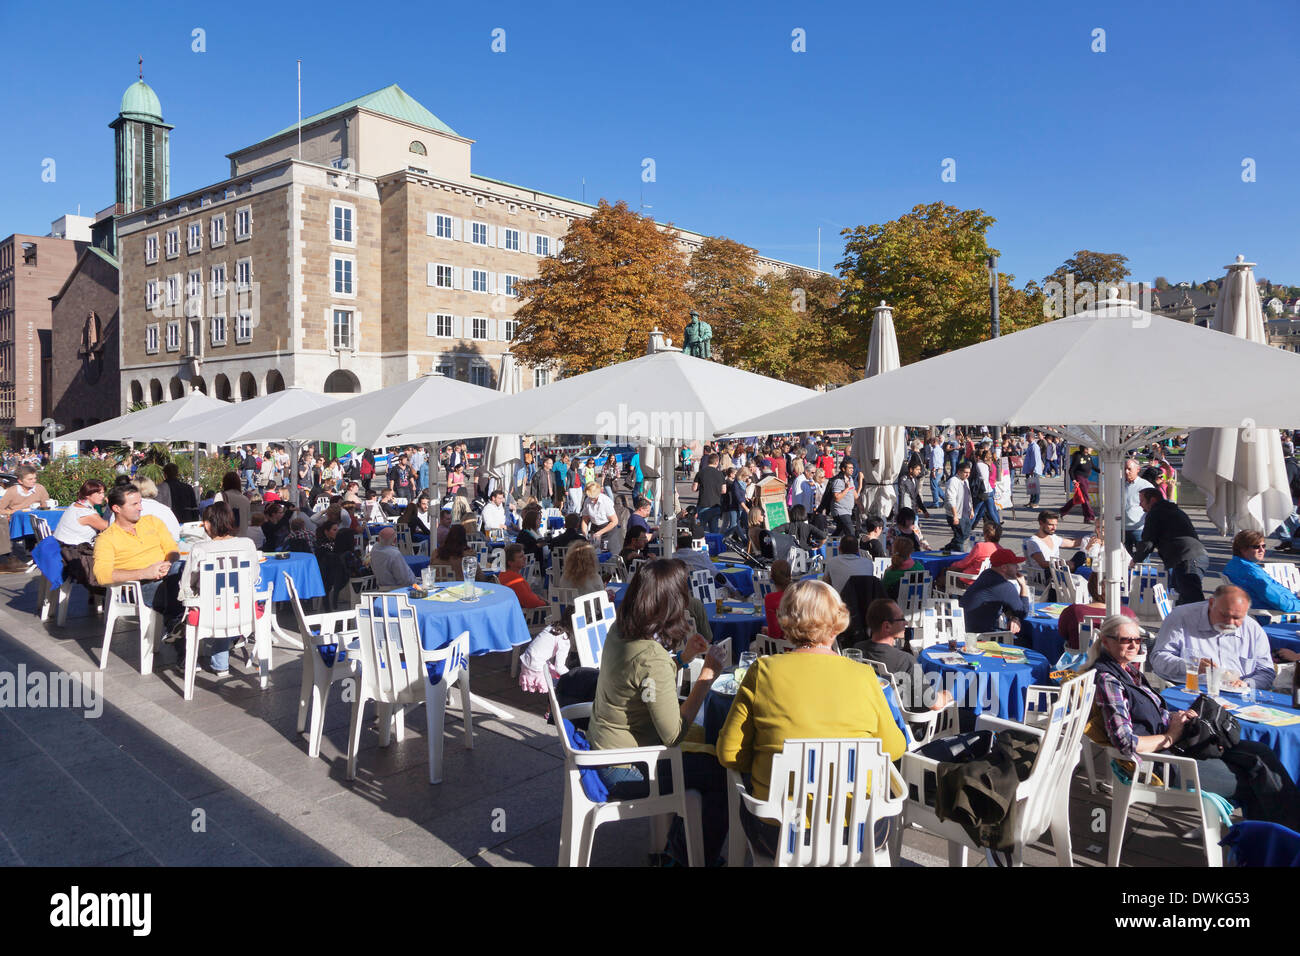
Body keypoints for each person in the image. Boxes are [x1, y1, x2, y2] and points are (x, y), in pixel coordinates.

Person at [717, 580, 906, 859]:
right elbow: (894, 749)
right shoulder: (865, 677)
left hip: (779, 833)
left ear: (787, 620)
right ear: (838, 621)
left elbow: (729, 754)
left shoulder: (763, 671)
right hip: (859, 831)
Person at [1085, 613, 1298, 826]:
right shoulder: (1109, 680)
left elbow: (1143, 713)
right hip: (1164, 765)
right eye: (1125, 640)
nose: (1134, 646)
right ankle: (1283, 840)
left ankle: (1270, 840)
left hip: (1177, 749)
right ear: (1106, 642)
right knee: (1259, 778)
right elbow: (1125, 742)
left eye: (1137, 640)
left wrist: (1175, 717)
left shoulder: (1128, 670)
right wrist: (1170, 736)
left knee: (1260, 753)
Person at [588, 559, 728, 865]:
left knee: (704, 755)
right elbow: (673, 734)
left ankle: (680, 847)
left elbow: (643, 681)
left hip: (606, 748)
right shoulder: (651, 658)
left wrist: (682, 657)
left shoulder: (621, 630)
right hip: (626, 769)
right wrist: (706, 676)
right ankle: (689, 856)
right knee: (720, 771)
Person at [178, 501, 261, 677]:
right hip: (243, 610)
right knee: (227, 600)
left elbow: (186, 584)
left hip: (211, 611)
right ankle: (222, 660)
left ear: (207, 524)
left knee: (216, 602)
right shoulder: (247, 545)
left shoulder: (200, 549)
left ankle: (210, 661)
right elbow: (253, 577)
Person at [92, 485, 184, 632]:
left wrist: (168, 564)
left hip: (167, 575)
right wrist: (145, 573)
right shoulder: (106, 539)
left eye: (140, 502)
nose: (140, 508)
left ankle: (177, 626)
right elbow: (102, 576)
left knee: (187, 569)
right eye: (135, 504)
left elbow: (172, 549)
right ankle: (177, 624)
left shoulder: (153, 521)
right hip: (138, 587)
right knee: (184, 590)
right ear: (117, 508)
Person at [1150, 585, 1276, 691]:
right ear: (1211, 604)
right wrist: (1191, 666)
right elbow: (1158, 659)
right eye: (1224, 615)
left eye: (1237, 618)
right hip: (1193, 691)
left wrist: (1247, 684)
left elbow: (1266, 671)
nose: (1230, 622)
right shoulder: (1182, 617)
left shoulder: (1252, 628)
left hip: (1240, 694)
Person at [1131, 488, 1208, 605]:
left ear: (1152, 500)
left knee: (1192, 601)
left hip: (1187, 558)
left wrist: (1135, 560)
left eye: (1141, 501)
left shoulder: (1155, 513)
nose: (1140, 504)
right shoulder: (1171, 510)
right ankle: (1181, 622)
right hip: (1190, 557)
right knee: (1181, 598)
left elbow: (1148, 542)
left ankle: (1199, 622)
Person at [1222, 529, 1300, 615]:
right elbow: (1283, 604)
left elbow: (1273, 589)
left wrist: (1293, 596)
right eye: (1256, 547)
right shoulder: (1252, 572)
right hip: (1273, 615)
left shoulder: (1233, 564)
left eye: (1263, 546)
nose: (1262, 550)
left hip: (1261, 608)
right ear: (1243, 549)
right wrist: (1297, 603)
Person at [958, 547, 1031, 635]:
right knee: (1027, 638)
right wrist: (1023, 586)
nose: (1018, 567)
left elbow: (1008, 607)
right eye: (1014, 564)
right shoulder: (1003, 585)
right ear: (1004, 567)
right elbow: (1023, 613)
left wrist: (1014, 617)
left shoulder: (986, 574)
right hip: (981, 636)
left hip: (964, 629)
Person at [1058, 573, 1137, 650]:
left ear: (1090, 586)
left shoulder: (1072, 611)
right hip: (1117, 661)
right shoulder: (1127, 613)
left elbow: (1063, 634)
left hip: (1081, 661)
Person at [53, 479, 110, 587]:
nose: (102, 496)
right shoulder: (85, 512)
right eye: (98, 493)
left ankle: (96, 599)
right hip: (73, 554)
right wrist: (112, 508)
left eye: (103, 492)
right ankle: (105, 595)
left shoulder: (76, 505)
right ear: (88, 494)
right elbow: (108, 527)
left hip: (61, 550)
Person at [0, 464, 51, 572]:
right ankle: (8, 559)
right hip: (16, 520)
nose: (33, 481)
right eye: (30, 479)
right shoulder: (12, 491)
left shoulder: (39, 488)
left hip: (34, 519)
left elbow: (46, 505)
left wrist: (41, 507)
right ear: (20, 481)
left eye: (35, 478)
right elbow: (1, 508)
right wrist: (10, 512)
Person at [946, 521, 1001, 589]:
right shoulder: (1000, 549)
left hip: (971, 581)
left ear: (985, 534)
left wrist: (951, 566)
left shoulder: (980, 546)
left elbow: (965, 563)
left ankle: (941, 598)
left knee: (943, 576)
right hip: (988, 581)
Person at [1121, 458, 1154, 554]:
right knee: (1123, 559)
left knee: (1142, 559)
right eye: (1124, 469)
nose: (1126, 472)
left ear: (1138, 469)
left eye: (1129, 469)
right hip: (1121, 529)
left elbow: (1153, 508)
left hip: (1139, 529)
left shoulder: (1146, 486)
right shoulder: (1118, 483)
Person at [499, 544, 546, 610]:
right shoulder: (513, 578)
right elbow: (530, 602)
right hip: (526, 615)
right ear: (510, 562)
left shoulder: (504, 574)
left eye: (523, 555)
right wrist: (545, 604)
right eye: (521, 557)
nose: (525, 558)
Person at [1058, 445, 1097, 523]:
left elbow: (1092, 466)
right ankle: (1090, 516)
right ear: (1085, 449)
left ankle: (1062, 511)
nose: (1092, 449)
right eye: (1090, 447)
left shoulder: (1088, 456)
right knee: (1085, 498)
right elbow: (1071, 470)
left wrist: (1101, 471)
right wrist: (1074, 480)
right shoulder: (1078, 457)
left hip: (1085, 479)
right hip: (1080, 479)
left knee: (1079, 498)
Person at [943, 460, 974, 552]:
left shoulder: (965, 481)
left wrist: (971, 509)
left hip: (965, 512)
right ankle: (960, 555)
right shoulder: (953, 481)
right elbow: (950, 499)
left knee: (966, 533)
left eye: (969, 472)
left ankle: (948, 548)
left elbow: (969, 496)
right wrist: (955, 516)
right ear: (959, 472)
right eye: (965, 472)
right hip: (956, 514)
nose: (967, 475)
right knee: (960, 536)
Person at [691, 453, 726, 534]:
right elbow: (724, 490)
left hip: (703, 504)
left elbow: (694, 488)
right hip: (715, 505)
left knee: (699, 529)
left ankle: (701, 545)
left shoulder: (700, 472)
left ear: (708, 461)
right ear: (716, 462)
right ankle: (713, 546)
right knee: (714, 530)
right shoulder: (720, 474)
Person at [215, 472, 251, 540]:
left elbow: (215, 518)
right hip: (242, 539)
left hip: (226, 538)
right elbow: (248, 521)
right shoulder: (245, 499)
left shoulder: (221, 496)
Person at [581, 481, 618, 548]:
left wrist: (600, 533)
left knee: (606, 552)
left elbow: (614, 521)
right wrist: (584, 533)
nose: (591, 500)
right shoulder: (587, 500)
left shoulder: (606, 501)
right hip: (595, 527)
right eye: (590, 498)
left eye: (593, 498)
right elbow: (585, 519)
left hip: (608, 529)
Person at [762, 560, 791, 638]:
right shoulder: (799, 595)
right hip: (801, 644)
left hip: (782, 647)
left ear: (771, 577)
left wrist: (767, 630)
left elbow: (775, 634)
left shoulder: (770, 599)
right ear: (790, 575)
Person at [828, 460, 857, 537]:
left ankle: (828, 545)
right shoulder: (838, 480)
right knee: (850, 533)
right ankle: (851, 548)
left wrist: (860, 505)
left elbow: (854, 492)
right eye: (850, 468)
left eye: (852, 468)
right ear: (843, 469)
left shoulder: (850, 479)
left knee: (839, 532)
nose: (852, 469)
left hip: (847, 510)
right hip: (840, 510)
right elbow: (837, 497)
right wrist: (846, 489)